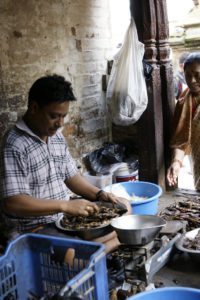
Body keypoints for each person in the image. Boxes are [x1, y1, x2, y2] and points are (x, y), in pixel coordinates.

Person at [0, 74, 132, 253]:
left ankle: (100, 247)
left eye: (63, 117)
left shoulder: (56, 136)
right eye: (54, 116)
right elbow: (14, 202)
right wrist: (65, 205)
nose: (60, 123)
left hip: (65, 217)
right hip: (35, 226)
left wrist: (99, 194)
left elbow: (71, 177)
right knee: (74, 255)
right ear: (34, 107)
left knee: (124, 206)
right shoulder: (15, 144)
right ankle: (110, 244)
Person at [167, 53, 200, 189]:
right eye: (188, 75)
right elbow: (181, 139)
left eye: (197, 74)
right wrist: (176, 162)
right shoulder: (183, 102)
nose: (192, 80)